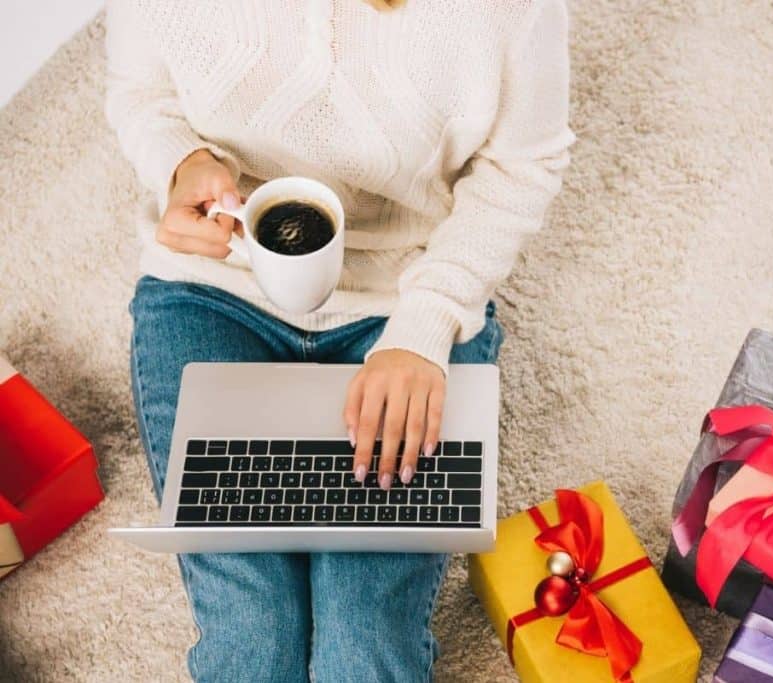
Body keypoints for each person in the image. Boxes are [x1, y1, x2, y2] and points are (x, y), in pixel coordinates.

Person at [104, 0, 572, 681]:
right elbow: (140, 92)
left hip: (407, 294)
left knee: (365, 641)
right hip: (216, 284)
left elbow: (523, 165)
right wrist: (182, 163)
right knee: (252, 631)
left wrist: (425, 327)